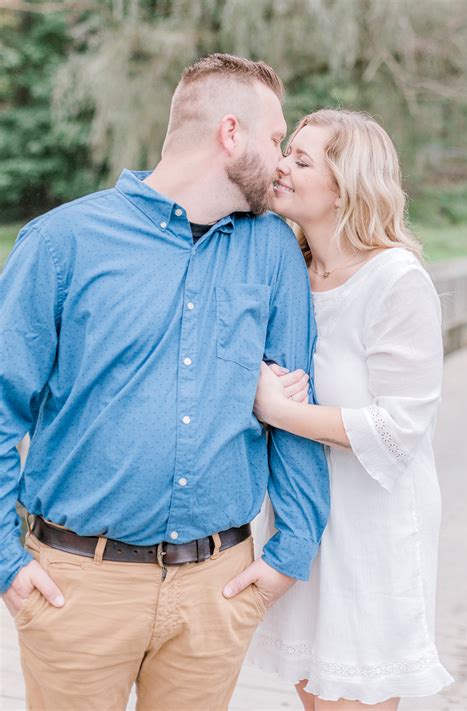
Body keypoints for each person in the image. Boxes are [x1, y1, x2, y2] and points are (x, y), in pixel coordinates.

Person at [0, 54, 329, 710]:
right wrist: (7, 562)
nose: (283, 161)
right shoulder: (62, 244)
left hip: (219, 589)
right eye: (275, 140)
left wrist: (291, 552)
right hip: (77, 589)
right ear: (230, 135)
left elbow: (298, 405)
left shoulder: (270, 251)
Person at [246, 109, 454, 710]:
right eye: (288, 151)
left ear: (346, 188)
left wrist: (276, 409)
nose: (282, 164)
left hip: (371, 524)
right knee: (314, 692)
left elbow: (397, 432)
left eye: (302, 160)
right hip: (305, 517)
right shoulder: (292, 270)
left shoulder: (395, 281)